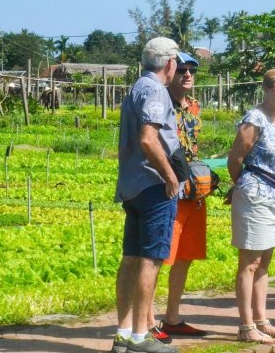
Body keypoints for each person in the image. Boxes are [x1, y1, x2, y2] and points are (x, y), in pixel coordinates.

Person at [112, 37, 181, 353]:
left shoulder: (137, 86)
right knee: (151, 261)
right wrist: (171, 176)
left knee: (131, 258)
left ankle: (124, 333)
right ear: (169, 63)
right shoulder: (156, 91)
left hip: (131, 184)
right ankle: (141, 336)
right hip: (153, 185)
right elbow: (149, 139)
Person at [226, 69, 275, 344]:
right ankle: (246, 326)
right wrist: (244, 186)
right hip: (254, 196)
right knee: (250, 262)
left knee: (265, 262)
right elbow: (235, 159)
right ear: (266, 90)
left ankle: (261, 320)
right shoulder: (254, 119)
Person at [149, 52, 208, 341]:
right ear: (171, 71)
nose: (187, 75)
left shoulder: (194, 107)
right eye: (182, 69)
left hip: (194, 191)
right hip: (169, 188)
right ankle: (148, 321)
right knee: (159, 257)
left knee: (185, 255)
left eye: (192, 70)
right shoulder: (161, 104)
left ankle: (171, 317)